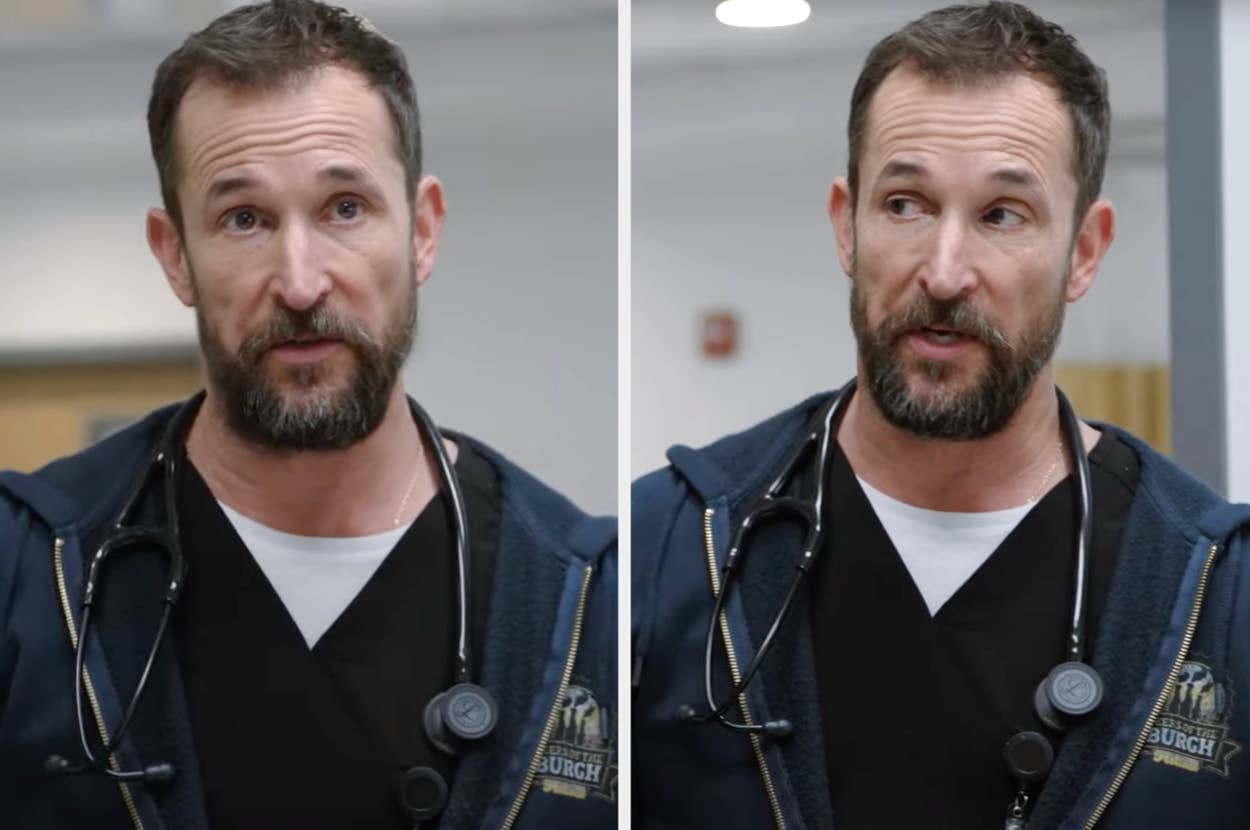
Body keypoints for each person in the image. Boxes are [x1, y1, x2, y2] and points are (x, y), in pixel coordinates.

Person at [632, 3, 1250, 828]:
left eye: (1002, 215)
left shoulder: (1216, 595)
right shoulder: (670, 549)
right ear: (846, 227)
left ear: (1086, 252)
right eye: (905, 204)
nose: (946, 270)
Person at [0, 2, 616, 828]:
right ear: (175, 254)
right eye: (243, 219)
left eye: (345, 209)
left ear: (422, 231)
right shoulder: (30, 569)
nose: (299, 282)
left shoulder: (586, 601)